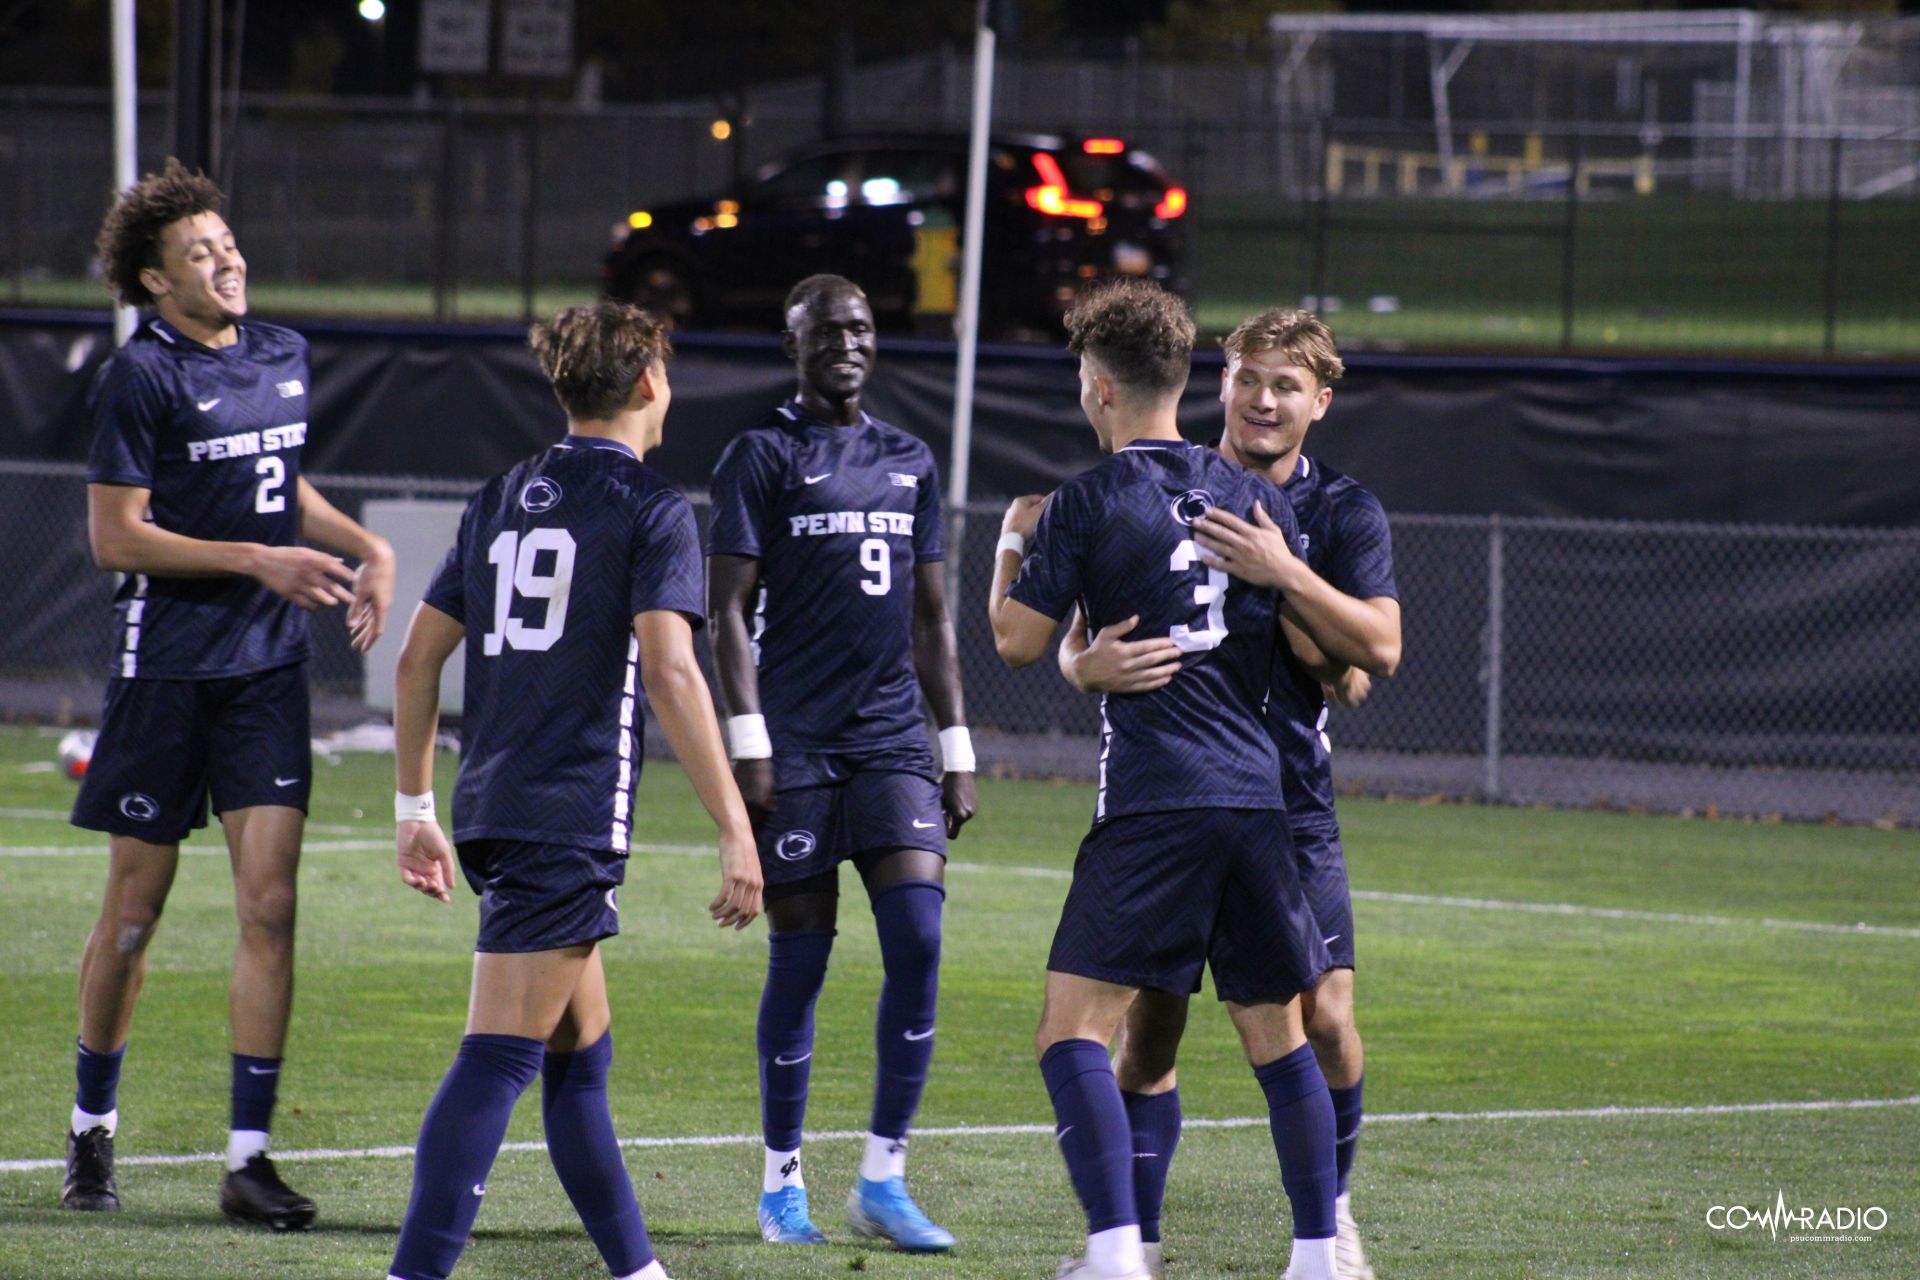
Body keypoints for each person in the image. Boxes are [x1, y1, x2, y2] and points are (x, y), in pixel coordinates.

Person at [383, 301, 762, 1280]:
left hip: (497, 801)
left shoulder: (504, 492)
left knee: (577, 1056)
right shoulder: (651, 505)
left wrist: (414, 808)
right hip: (566, 813)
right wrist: (736, 827)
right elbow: (672, 668)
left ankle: (638, 1270)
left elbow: (418, 659)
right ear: (648, 384)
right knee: (499, 1059)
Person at [64, 158, 395, 1229]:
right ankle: (90, 1124)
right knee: (131, 919)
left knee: (272, 903)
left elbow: (277, 479)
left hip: (265, 673)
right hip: (166, 668)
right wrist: (260, 561)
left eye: (227, 242)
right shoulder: (139, 375)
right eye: (198, 253)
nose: (226, 260)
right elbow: (116, 535)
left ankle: (249, 1158)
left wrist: (362, 542)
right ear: (157, 283)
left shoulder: (282, 355)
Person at [988, 280, 1342, 1280]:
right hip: (1258, 799)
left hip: (1154, 799)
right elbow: (1321, 655)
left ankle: (1114, 1251)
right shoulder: (1258, 499)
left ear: (1099, 388)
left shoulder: (1086, 499)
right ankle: (1317, 1254)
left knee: (1074, 1031)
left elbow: (1015, 638)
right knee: (1278, 1038)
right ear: (1187, 382)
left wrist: (1016, 538)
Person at [1059, 308, 1401, 1280]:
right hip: (1165, 795)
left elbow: (1375, 649)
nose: (1263, 399)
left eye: (1287, 385)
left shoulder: (1343, 513)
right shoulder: (1160, 485)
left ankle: (1329, 1217)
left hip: (1288, 808)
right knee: (1148, 1028)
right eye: (1249, 377)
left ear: (1320, 402)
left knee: (1323, 1016)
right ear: (1220, 382)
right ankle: (1134, 1239)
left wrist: (1288, 577)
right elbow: (1087, 640)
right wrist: (1083, 664)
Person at [707, 274, 976, 1252]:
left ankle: (884, 1179)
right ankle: (782, 1184)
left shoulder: (909, 458)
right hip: (799, 745)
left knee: (919, 941)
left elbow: (933, 615)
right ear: (794, 344)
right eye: (826, 331)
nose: (846, 344)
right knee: (803, 959)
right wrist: (751, 743)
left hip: (893, 740)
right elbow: (724, 608)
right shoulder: (759, 455)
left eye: (860, 328)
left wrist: (956, 749)